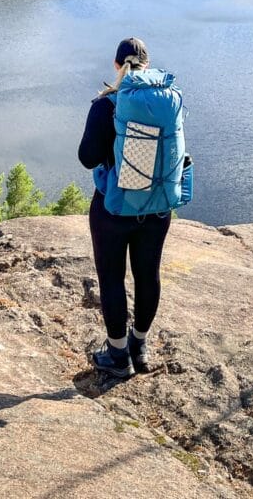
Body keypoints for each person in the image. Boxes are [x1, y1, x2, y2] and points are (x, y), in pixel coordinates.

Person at [78, 36, 174, 378]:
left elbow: (88, 158)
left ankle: (118, 356)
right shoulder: (166, 100)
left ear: (117, 66)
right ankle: (140, 346)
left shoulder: (108, 104)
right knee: (148, 275)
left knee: (112, 278)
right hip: (157, 208)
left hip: (113, 210)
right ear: (147, 66)